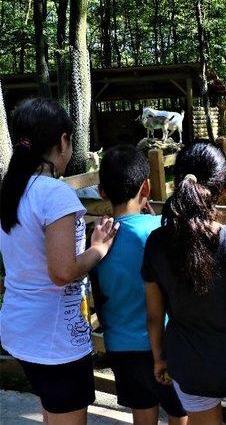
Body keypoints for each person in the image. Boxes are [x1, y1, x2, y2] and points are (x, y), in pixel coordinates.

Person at [0, 97, 118, 425]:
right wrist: (99, 248)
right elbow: (63, 271)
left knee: (52, 413)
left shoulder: (13, 190)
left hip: (21, 330)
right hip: (54, 341)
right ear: (63, 142)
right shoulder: (55, 194)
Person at [143, 142, 226, 425]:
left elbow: (154, 317)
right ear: (225, 188)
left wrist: (159, 359)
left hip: (188, 368)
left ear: (177, 183)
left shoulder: (156, 243)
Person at [92, 145, 187, 425]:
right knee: (179, 412)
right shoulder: (161, 229)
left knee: (142, 414)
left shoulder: (97, 240)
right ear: (146, 188)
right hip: (166, 343)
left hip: (122, 346)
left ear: (102, 192)